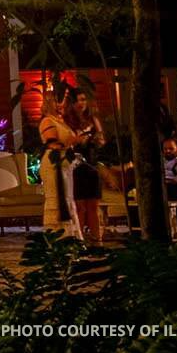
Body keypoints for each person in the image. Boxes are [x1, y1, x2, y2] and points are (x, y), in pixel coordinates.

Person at [64, 89, 106, 243]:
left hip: (91, 164)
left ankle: (97, 238)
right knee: (80, 206)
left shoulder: (92, 119)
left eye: (83, 100)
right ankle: (80, 240)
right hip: (76, 166)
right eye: (77, 100)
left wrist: (95, 139)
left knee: (93, 205)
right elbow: (68, 142)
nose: (81, 103)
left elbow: (102, 141)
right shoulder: (67, 121)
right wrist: (79, 139)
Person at [37, 87, 78, 234]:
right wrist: (75, 140)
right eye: (59, 100)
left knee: (68, 198)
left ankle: (71, 237)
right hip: (54, 164)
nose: (62, 104)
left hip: (65, 165)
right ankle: (57, 235)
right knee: (57, 199)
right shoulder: (47, 121)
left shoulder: (60, 121)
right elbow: (53, 142)